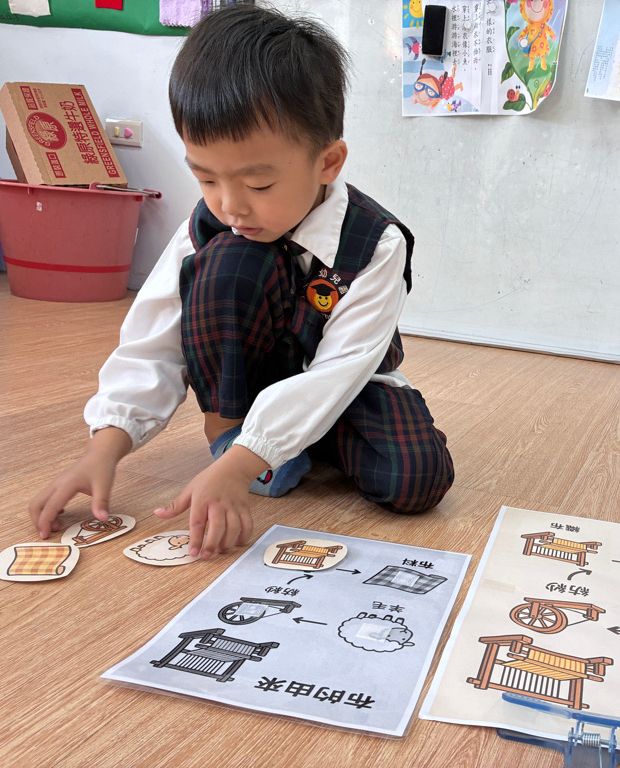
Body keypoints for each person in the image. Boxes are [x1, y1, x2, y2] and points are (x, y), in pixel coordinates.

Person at [28, 5, 454, 559]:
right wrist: (105, 446)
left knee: (417, 479)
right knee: (229, 266)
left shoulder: (376, 242)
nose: (230, 205)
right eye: (206, 178)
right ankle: (233, 436)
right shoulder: (208, 227)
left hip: (343, 385)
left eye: (258, 184)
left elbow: (343, 369)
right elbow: (154, 338)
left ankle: (278, 445)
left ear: (328, 162)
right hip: (247, 384)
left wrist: (247, 464)